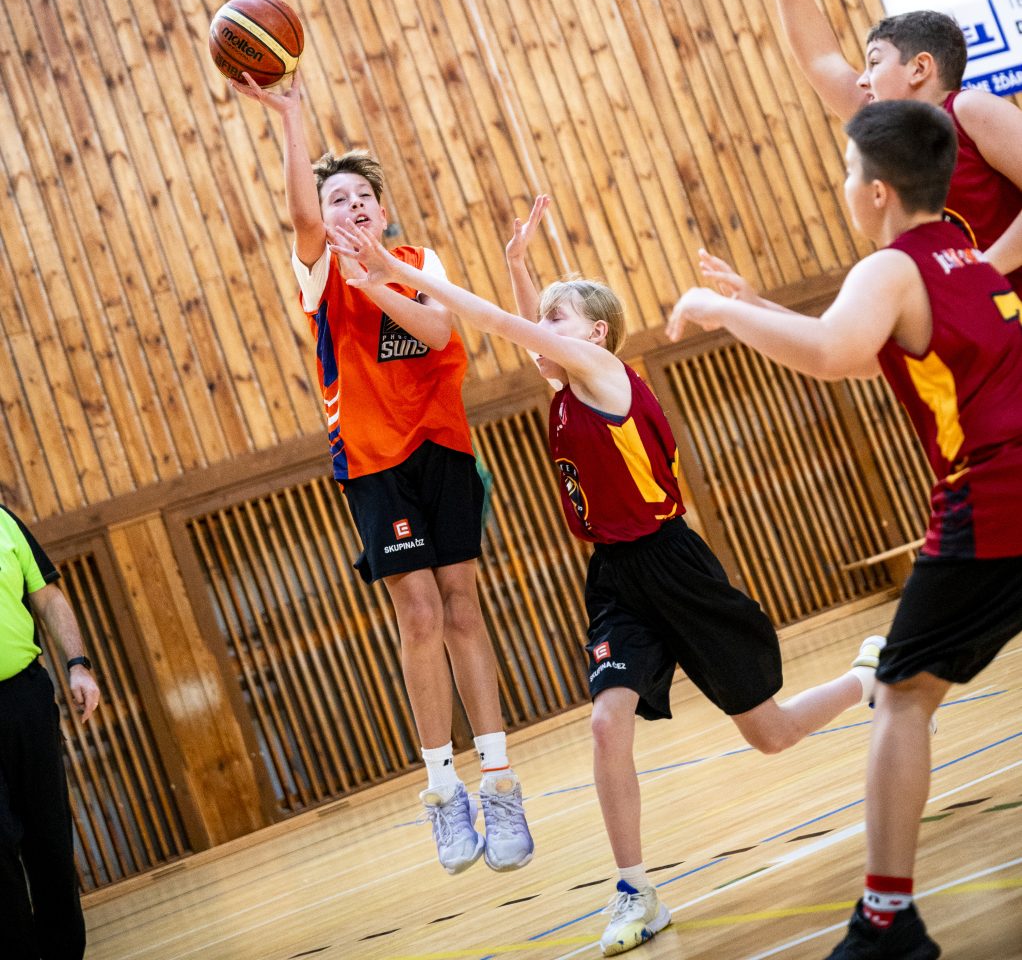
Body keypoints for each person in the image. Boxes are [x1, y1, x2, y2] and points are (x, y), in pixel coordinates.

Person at [336, 196, 884, 957]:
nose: (543, 331)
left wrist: (392, 271)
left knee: (771, 733)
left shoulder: (604, 374)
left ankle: (869, 679)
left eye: (557, 319)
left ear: (594, 333)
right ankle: (636, 891)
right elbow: (527, 334)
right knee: (604, 723)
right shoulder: (569, 386)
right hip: (617, 577)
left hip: (674, 564)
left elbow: (500, 326)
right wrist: (518, 265)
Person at [668, 98, 1022, 959]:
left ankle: (887, 922)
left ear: (875, 191)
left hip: (992, 499)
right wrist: (759, 307)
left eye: (845, 169)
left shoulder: (890, 267)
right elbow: (869, 352)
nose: (842, 183)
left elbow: (833, 354)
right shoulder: (967, 254)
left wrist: (722, 312)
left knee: (899, 695)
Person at [232, 70, 533, 877]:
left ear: (382, 208)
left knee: (464, 605)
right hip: (373, 462)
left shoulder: (415, 259)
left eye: (363, 196)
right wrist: (292, 118)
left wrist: (382, 282)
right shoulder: (319, 271)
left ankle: (499, 779)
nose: (352, 207)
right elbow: (301, 216)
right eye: (339, 200)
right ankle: (442, 789)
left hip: (444, 448)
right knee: (420, 613)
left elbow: (438, 332)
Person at [747, 0, 1022, 292]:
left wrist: (981, 270)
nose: (861, 80)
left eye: (874, 62)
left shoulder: (969, 109)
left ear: (919, 68)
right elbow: (819, 59)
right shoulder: (891, 128)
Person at [1, 502, 101, 960]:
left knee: (50, 835)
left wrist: (78, 664)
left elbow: (48, 596)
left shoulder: (3, 520)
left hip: (24, 697)